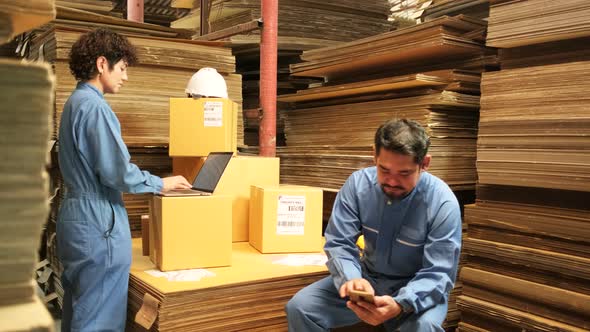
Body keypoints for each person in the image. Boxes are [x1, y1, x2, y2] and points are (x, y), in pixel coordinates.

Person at [56, 28, 192, 331]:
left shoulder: (74, 103)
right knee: (99, 319)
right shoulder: (95, 108)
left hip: (76, 216)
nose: (126, 77)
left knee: (81, 308)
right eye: (123, 68)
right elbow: (118, 173)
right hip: (98, 220)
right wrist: (161, 183)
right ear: (102, 64)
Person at [286, 119, 462, 331]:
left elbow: (439, 273)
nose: (392, 181)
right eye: (384, 169)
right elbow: (339, 242)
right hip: (367, 279)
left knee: (423, 327)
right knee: (300, 307)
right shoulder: (357, 186)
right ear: (374, 155)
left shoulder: (442, 203)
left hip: (417, 287)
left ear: (424, 163)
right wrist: (352, 280)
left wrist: (400, 303)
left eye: (404, 173)